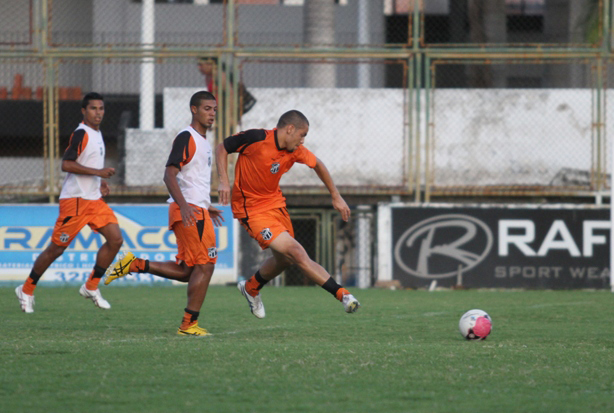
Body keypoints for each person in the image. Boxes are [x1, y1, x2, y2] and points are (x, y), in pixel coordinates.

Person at [215, 109, 359, 317]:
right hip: (252, 211)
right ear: (290, 129)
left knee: (285, 259)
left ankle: (251, 288)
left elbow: (318, 164)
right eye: (302, 135)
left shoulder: (295, 150)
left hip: (276, 206)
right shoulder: (256, 138)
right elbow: (222, 148)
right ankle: (343, 295)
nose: (302, 141)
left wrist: (335, 196)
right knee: (297, 252)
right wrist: (223, 181)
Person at [105, 91, 224, 336]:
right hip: (189, 210)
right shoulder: (186, 137)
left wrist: (204, 203)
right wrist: (185, 205)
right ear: (194, 109)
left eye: (214, 109)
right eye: (207, 109)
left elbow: (193, 178)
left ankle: (136, 264)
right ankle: (188, 325)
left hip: (196, 207)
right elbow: (169, 174)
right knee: (206, 266)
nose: (212, 113)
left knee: (188, 271)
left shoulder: (203, 141)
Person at [15, 92, 123, 313]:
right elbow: (67, 164)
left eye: (101, 108)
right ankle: (26, 289)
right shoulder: (81, 133)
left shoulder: (96, 133)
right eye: (93, 108)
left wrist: (100, 181)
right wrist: (99, 172)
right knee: (56, 249)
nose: (98, 112)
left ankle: (91, 286)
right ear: (84, 111)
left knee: (115, 240)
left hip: (93, 200)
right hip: (74, 202)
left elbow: (89, 163)